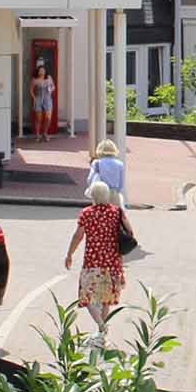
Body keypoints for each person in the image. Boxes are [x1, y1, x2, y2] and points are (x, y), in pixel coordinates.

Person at [65, 180, 126, 346]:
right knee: (106, 298)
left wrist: (70, 253)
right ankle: (101, 334)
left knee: (88, 296)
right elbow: (129, 232)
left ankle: (101, 326)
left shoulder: (87, 213)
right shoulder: (116, 212)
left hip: (93, 261)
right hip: (113, 262)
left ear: (93, 195)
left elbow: (78, 236)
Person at [86, 138, 126, 208]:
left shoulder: (97, 162)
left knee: (99, 216)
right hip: (114, 192)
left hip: (100, 192)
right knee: (113, 215)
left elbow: (90, 179)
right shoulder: (120, 164)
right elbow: (121, 184)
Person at [30, 59, 56, 138]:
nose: (42, 72)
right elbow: (31, 90)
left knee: (48, 117)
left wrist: (50, 89)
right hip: (39, 98)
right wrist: (34, 98)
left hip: (47, 98)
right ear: (38, 72)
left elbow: (53, 86)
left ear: (45, 71)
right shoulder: (35, 80)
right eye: (40, 70)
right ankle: (38, 134)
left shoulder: (49, 78)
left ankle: (45, 133)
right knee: (39, 118)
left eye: (43, 70)